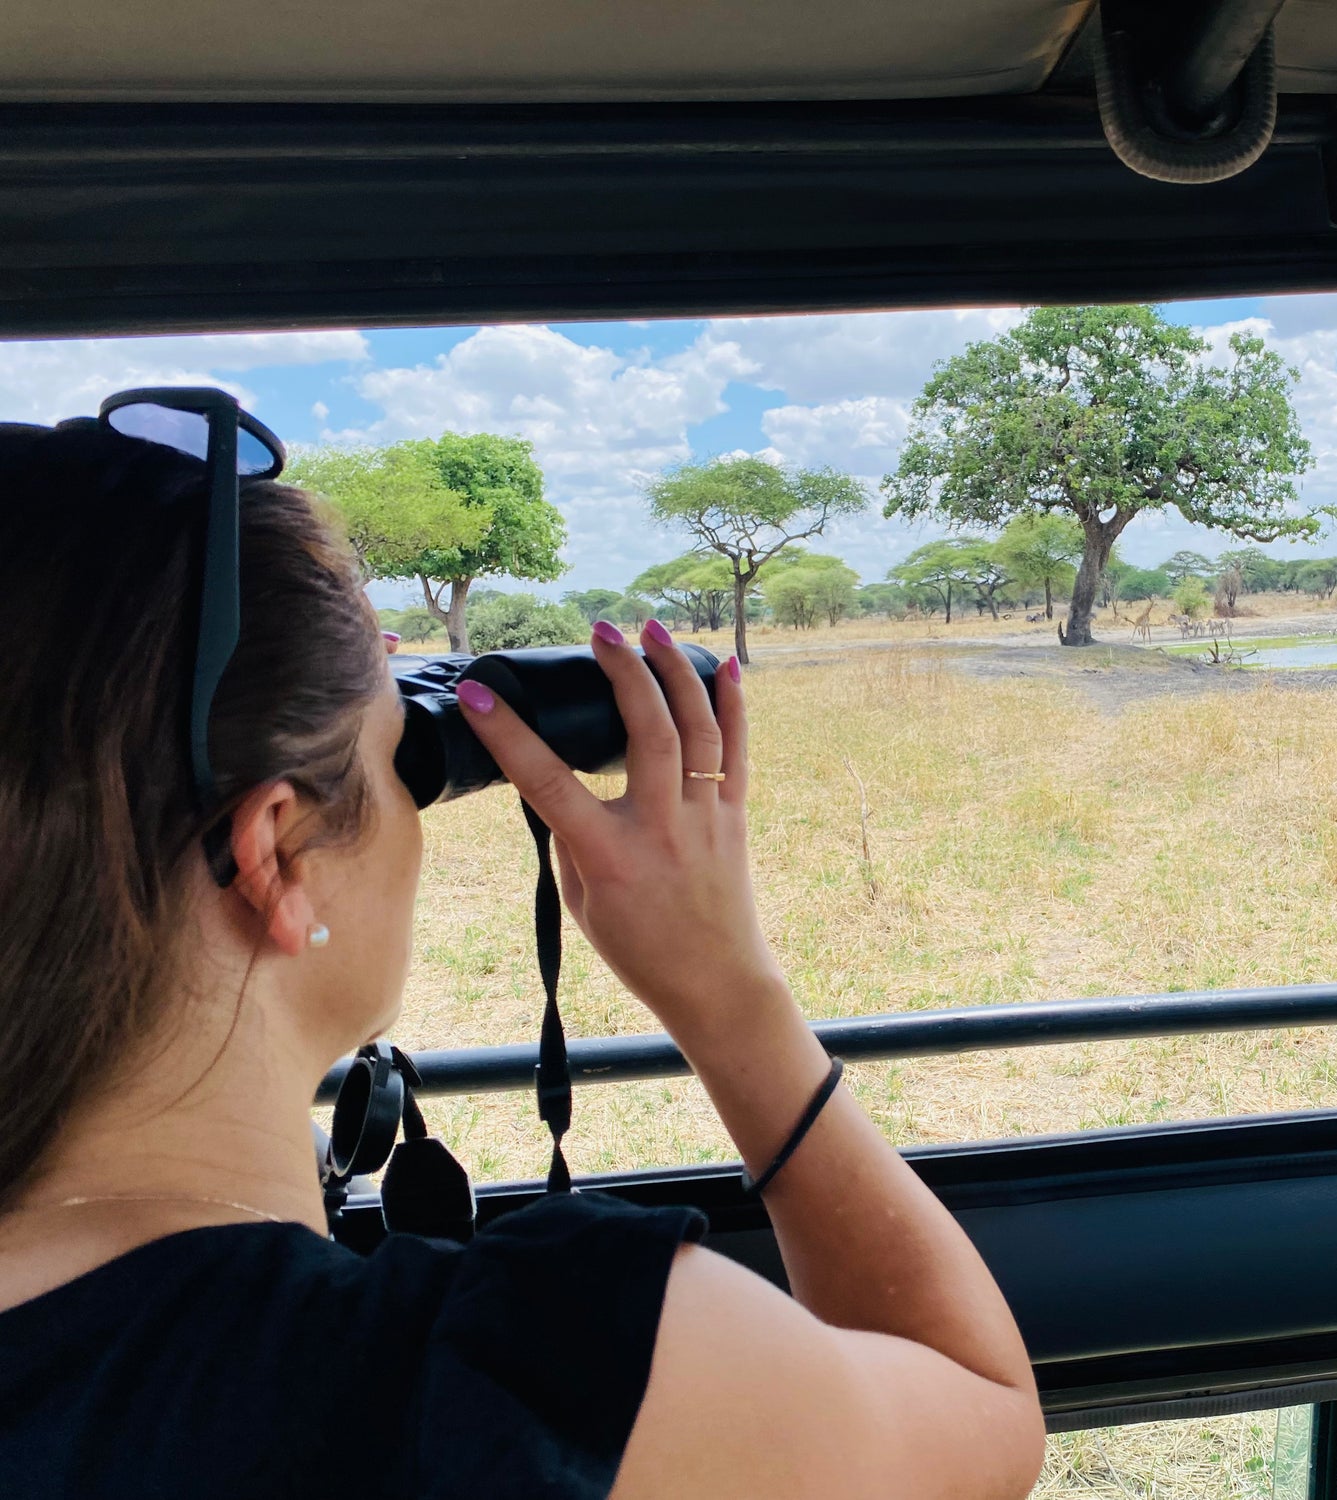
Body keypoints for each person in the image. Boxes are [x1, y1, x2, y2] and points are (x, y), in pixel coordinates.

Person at [0, 414, 1045, 1498]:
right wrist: (728, 993)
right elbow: (984, 1411)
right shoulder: (546, 1373)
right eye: (400, 759)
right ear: (277, 854)